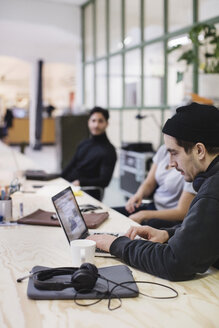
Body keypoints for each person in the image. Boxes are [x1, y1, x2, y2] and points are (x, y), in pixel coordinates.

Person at [88, 102, 219, 281]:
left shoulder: (212, 192)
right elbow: (207, 231)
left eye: (174, 153)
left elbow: (174, 263)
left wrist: (116, 244)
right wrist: (167, 234)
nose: (171, 163)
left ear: (199, 150)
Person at [114, 144, 196, 228]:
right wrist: (139, 194)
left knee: (134, 228)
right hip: (153, 206)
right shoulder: (164, 149)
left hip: (171, 217)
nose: (171, 163)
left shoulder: (190, 166)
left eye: (174, 153)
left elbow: (182, 212)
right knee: (113, 214)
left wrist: (144, 215)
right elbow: (149, 183)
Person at [61, 107, 117, 200]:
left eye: (100, 121)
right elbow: (71, 165)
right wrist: (59, 179)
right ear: (88, 122)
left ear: (107, 124)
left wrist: (80, 182)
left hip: (87, 192)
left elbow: (104, 181)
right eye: (93, 120)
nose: (96, 125)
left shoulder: (109, 151)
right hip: (71, 187)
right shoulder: (84, 143)